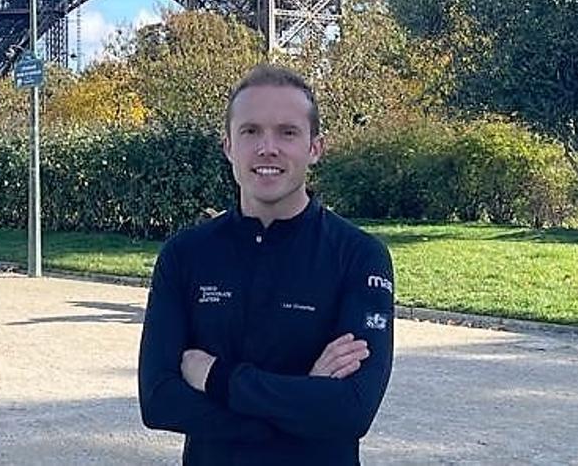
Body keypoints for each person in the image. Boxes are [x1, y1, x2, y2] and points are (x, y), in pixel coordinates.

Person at [138, 64, 395, 465]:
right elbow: (158, 401)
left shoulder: (359, 256)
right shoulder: (184, 255)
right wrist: (301, 401)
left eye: (287, 132)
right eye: (251, 131)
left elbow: (352, 409)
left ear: (315, 148)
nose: (267, 147)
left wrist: (216, 378)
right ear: (228, 146)